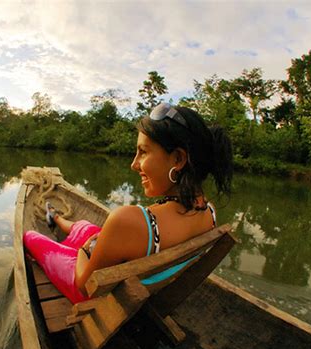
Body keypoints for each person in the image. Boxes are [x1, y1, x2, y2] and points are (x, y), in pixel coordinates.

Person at [23, 102, 233, 304]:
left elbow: (84, 285)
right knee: (85, 227)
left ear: (178, 159)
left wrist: (84, 251)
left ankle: (61, 232)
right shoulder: (209, 212)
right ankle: (57, 219)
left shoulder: (131, 220)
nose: (134, 164)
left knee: (31, 236)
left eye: (143, 152)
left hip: (93, 292)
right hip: (137, 272)